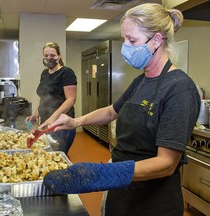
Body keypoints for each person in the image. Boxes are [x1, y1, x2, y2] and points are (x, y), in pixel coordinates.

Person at [42, 3, 201, 216]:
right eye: (124, 39)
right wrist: (74, 122)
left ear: (156, 40)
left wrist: (104, 174)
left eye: (132, 40)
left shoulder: (180, 88)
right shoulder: (140, 81)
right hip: (123, 192)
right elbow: (111, 111)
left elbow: (167, 163)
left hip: (152, 202)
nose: (126, 46)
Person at [25, 42, 77, 154]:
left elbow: (71, 100)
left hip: (61, 125)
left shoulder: (66, 72)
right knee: (47, 153)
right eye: (46, 56)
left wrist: (53, 118)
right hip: (46, 123)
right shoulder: (44, 74)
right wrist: (35, 115)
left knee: (58, 154)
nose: (49, 58)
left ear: (59, 56)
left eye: (52, 55)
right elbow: (43, 97)